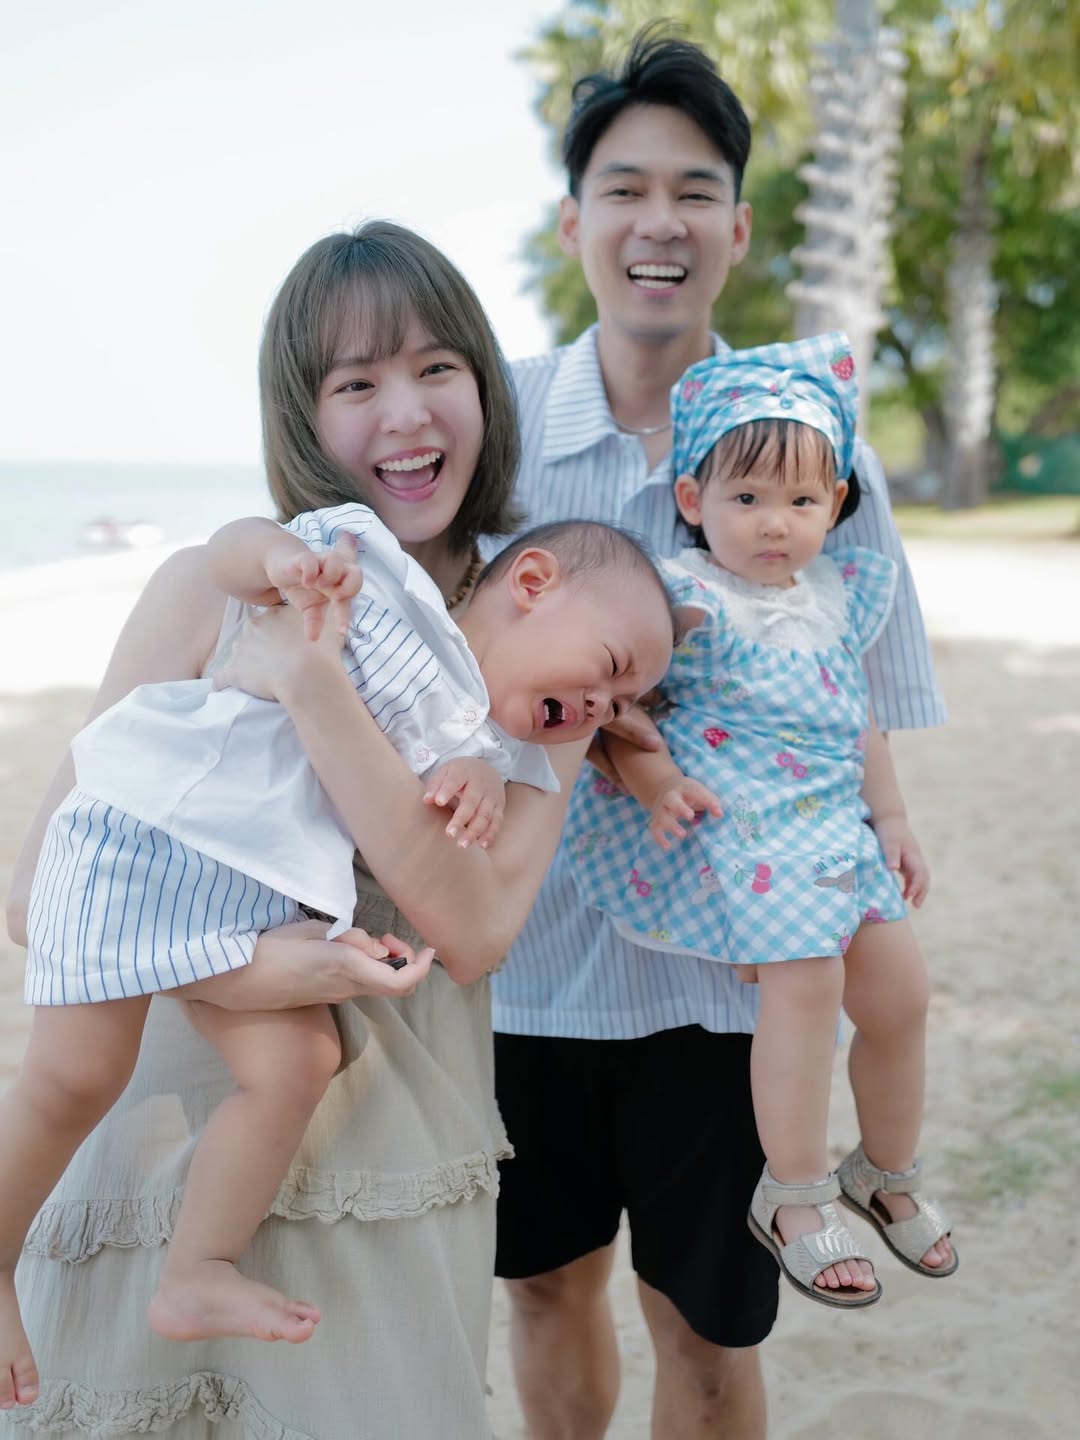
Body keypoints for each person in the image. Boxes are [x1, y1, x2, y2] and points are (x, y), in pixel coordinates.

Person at [0, 222, 661, 1439]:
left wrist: (313, 687)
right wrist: (251, 973)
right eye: (356, 384)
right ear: (305, 416)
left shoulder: (555, 655)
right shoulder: (222, 583)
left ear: (483, 385)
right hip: (170, 1127)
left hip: (390, 1147)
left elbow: (475, 929)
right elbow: (41, 895)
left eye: (437, 368)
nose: (406, 414)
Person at [493, 29, 948, 1439]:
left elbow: (860, 682)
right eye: (625, 190)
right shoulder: (496, 423)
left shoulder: (815, 445)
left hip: (738, 988)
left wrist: (882, 824)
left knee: (706, 1336)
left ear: (738, 231)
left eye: (695, 193)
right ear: (574, 222)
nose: (661, 222)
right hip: (525, 969)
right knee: (544, 1290)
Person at [6, 505, 671, 1372]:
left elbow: (453, 858)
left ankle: (197, 1271)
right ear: (534, 583)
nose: (600, 706)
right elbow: (229, 550)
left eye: (619, 705)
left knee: (301, 1061)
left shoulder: (482, 740)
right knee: (76, 1077)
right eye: (609, 670)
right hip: (148, 841)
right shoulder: (379, 577)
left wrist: (476, 775)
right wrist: (281, 559)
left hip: (240, 906)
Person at [564, 335, 957, 1312]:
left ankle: (885, 1169)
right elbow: (615, 709)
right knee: (807, 981)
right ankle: (792, 1192)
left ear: (836, 503)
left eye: (801, 500)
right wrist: (656, 783)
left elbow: (858, 719)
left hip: (835, 831)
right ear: (693, 498)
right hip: (743, 833)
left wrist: (893, 816)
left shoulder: (837, 597)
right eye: (746, 497)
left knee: (902, 996)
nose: (775, 523)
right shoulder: (683, 596)